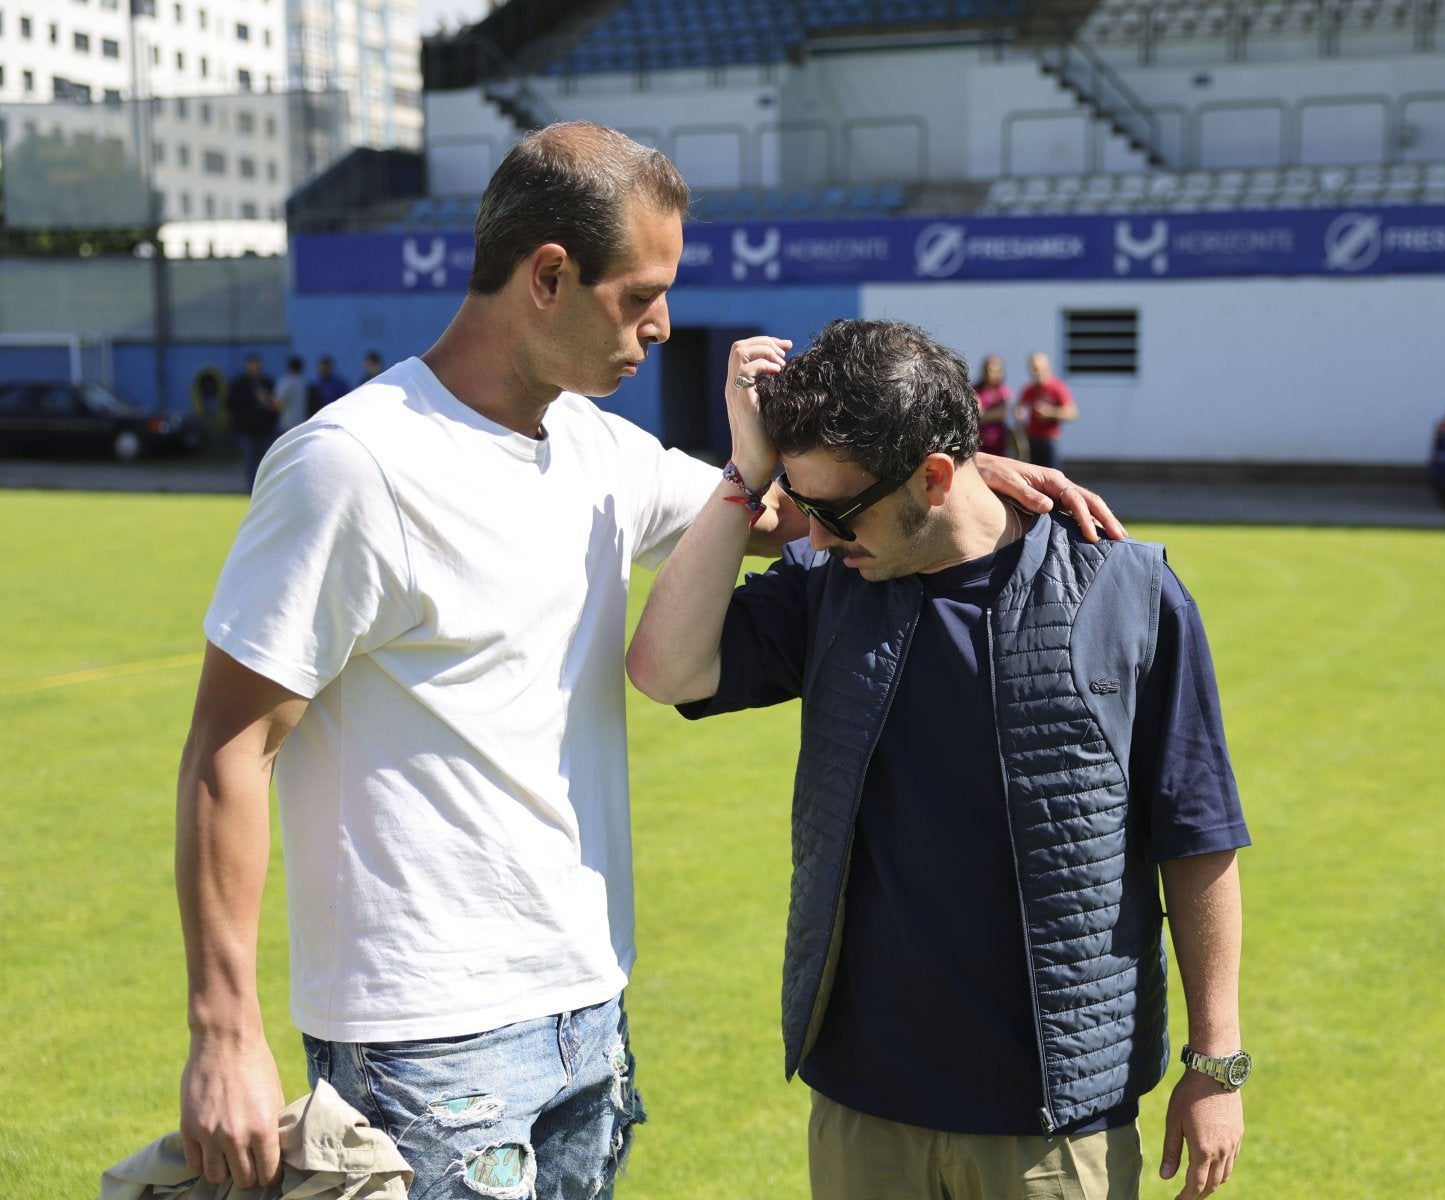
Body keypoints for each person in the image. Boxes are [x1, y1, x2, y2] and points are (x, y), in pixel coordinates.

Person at [174, 122, 1122, 1198]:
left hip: (587, 1014)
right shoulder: (353, 466)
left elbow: (788, 513)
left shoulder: (591, 447)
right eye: (639, 296)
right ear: (547, 276)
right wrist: (224, 1033)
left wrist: (953, 469)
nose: (664, 326)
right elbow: (227, 751)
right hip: (422, 1040)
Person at [626, 318, 1250, 1200]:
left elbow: (1199, 832)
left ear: (933, 475)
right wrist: (745, 476)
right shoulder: (831, 585)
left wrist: (1216, 1063)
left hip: (1052, 1126)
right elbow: (665, 668)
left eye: (835, 511)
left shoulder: (1127, 590)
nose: (814, 535)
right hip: (864, 1110)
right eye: (803, 508)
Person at [223, 353, 280, 492]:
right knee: (250, 463)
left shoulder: (267, 383)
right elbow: (231, 404)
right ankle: (252, 490)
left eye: (256, 365)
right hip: (247, 431)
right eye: (251, 365)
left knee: (266, 462)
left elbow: (276, 405)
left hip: (265, 430)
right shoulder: (239, 384)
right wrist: (242, 420)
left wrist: (266, 406)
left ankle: (265, 490)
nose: (253, 368)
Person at [1014, 350, 1079, 470]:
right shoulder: (1029, 389)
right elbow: (1019, 408)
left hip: (1050, 441)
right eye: (1032, 368)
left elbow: (1072, 413)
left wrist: (1050, 412)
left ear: (1046, 367)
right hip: (1032, 440)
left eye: (1037, 368)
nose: (1034, 372)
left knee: (1051, 477)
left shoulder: (1057, 387)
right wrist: (1019, 414)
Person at [973, 353, 1012, 457]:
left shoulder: (1003, 391)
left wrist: (985, 414)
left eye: (994, 370)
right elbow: (977, 414)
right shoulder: (976, 389)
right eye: (988, 370)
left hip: (998, 444)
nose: (990, 373)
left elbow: (1003, 413)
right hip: (979, 443)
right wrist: (992, 414)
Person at [273, 356, 310, 434]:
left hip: (287, 425)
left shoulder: (285, 382)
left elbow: (278, 405)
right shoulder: (305, 383)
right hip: (302, 424)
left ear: (289, 367)